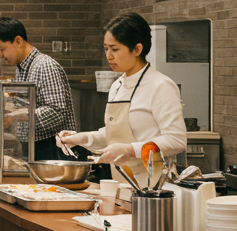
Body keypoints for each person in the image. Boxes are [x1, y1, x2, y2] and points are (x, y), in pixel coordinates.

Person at [55, 13, 186, 188]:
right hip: (121, 184)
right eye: (106, 49)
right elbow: (113, 135)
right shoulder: (117, 85)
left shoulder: (161, 85)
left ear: (137, 49)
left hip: (154, 189)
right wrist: (81, 138)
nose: (109, 56)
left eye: (115, 49)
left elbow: (176, 140)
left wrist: (130, 150)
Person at [0, 17, 77, 160]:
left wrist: (13, 116)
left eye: (1, 49)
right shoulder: (21, 68)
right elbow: (20, 108)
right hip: (32, 147)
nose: (0, 55)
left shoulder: (45, 66)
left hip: (52, 149)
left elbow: (56, 112)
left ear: (18, 41)